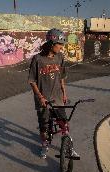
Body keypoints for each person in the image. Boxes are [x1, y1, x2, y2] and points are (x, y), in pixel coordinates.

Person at [28, 28, 80, 159]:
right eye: (60, 44)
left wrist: (64, 93)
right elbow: (32, 81)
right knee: (44, 126)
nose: (61, 47)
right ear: (52, 43)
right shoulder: (37, 59)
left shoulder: (60, 57)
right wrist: (40, 97)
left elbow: (61, 77)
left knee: (64, 124)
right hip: (43, 99)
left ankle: (69, 147)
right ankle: (45, 144)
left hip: (57, 98)